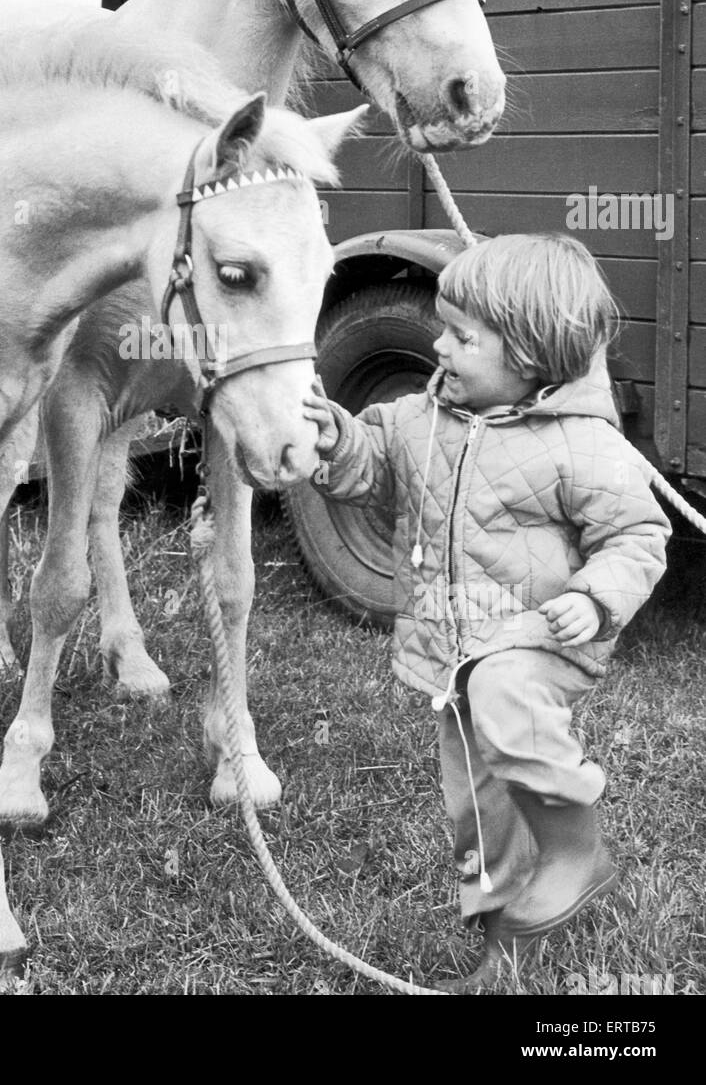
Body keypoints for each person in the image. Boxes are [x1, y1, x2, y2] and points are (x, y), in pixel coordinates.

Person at [303, 233, 671, 991]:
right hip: (458, 659)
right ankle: (507, 944)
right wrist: (335, 435)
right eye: (443, 327)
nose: (438, 346)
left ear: (530, 358)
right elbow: (367, 467)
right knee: (479, 808)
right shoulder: (419, 420)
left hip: (540, 642)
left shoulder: (581, 444)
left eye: (461, 336)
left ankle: (578, 850)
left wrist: (592, 597)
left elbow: (638, 533)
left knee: (506, 694)